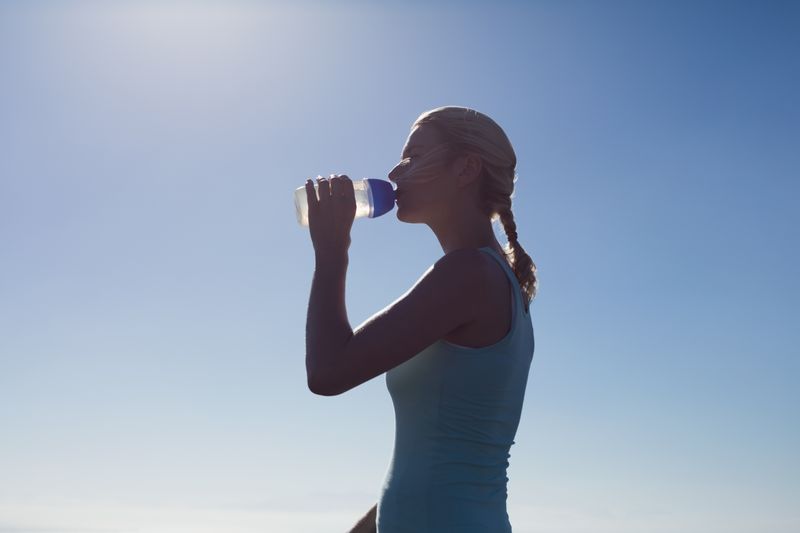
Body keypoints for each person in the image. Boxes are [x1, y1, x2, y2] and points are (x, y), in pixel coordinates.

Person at [304, 106, 538, 532]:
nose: (395, 172)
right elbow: (438, 460)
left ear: (466, 168)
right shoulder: (492, 278)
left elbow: (327, 371)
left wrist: (332, 252)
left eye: (412, 157)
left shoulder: (469, 274)